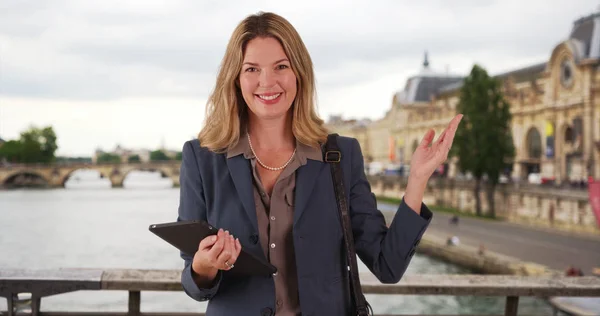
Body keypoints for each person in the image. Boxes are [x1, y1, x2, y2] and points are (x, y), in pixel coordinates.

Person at [177, 11, 463, 315]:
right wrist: (203, 266)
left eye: (281, 66)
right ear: (236, 78)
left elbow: (387, 265)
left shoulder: (340, 156)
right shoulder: (202, 159)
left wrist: (417, 180)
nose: (267, 81)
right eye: (252, 69)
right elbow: (193, 283)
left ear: (299, 73)